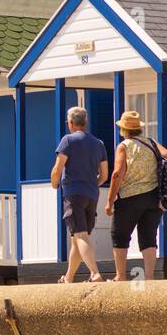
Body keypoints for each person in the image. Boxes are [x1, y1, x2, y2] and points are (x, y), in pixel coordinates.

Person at [106, 110, 167, 282]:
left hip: (129, 197)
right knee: (149, 236)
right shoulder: (151, 143)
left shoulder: (124, 146)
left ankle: (120, 276)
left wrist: (109, 201)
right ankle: (149, 277)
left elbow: (117, 174)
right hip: (153, 198)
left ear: (123, 129)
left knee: (120, 235)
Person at [51, 106, 109, 283]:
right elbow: (104, 175)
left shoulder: (67, 140)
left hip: (73, 194)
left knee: (80, 235)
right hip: (92, 195)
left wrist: (54, 183)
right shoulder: (99, 143)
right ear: (86, 122)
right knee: (77, 237)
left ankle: (95, 273)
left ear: (70, 123)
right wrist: (92, 184)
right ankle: (68, 277)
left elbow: (58, 167)